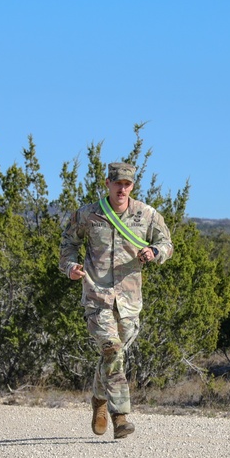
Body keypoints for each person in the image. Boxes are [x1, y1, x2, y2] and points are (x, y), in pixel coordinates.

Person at [59, 162, 173, 439]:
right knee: (111, 348)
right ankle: (120, 415)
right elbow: (68, 244)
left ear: (132, 186)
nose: (122, 188)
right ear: (107, 183)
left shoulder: (146, 214)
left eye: (127, 184)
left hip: (130, 299)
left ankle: (98, 398)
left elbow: (167, 244)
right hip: (97, 295)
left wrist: (154, 252)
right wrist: (70, 267)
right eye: (117, 183)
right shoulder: (88, 214)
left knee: (114, 354)